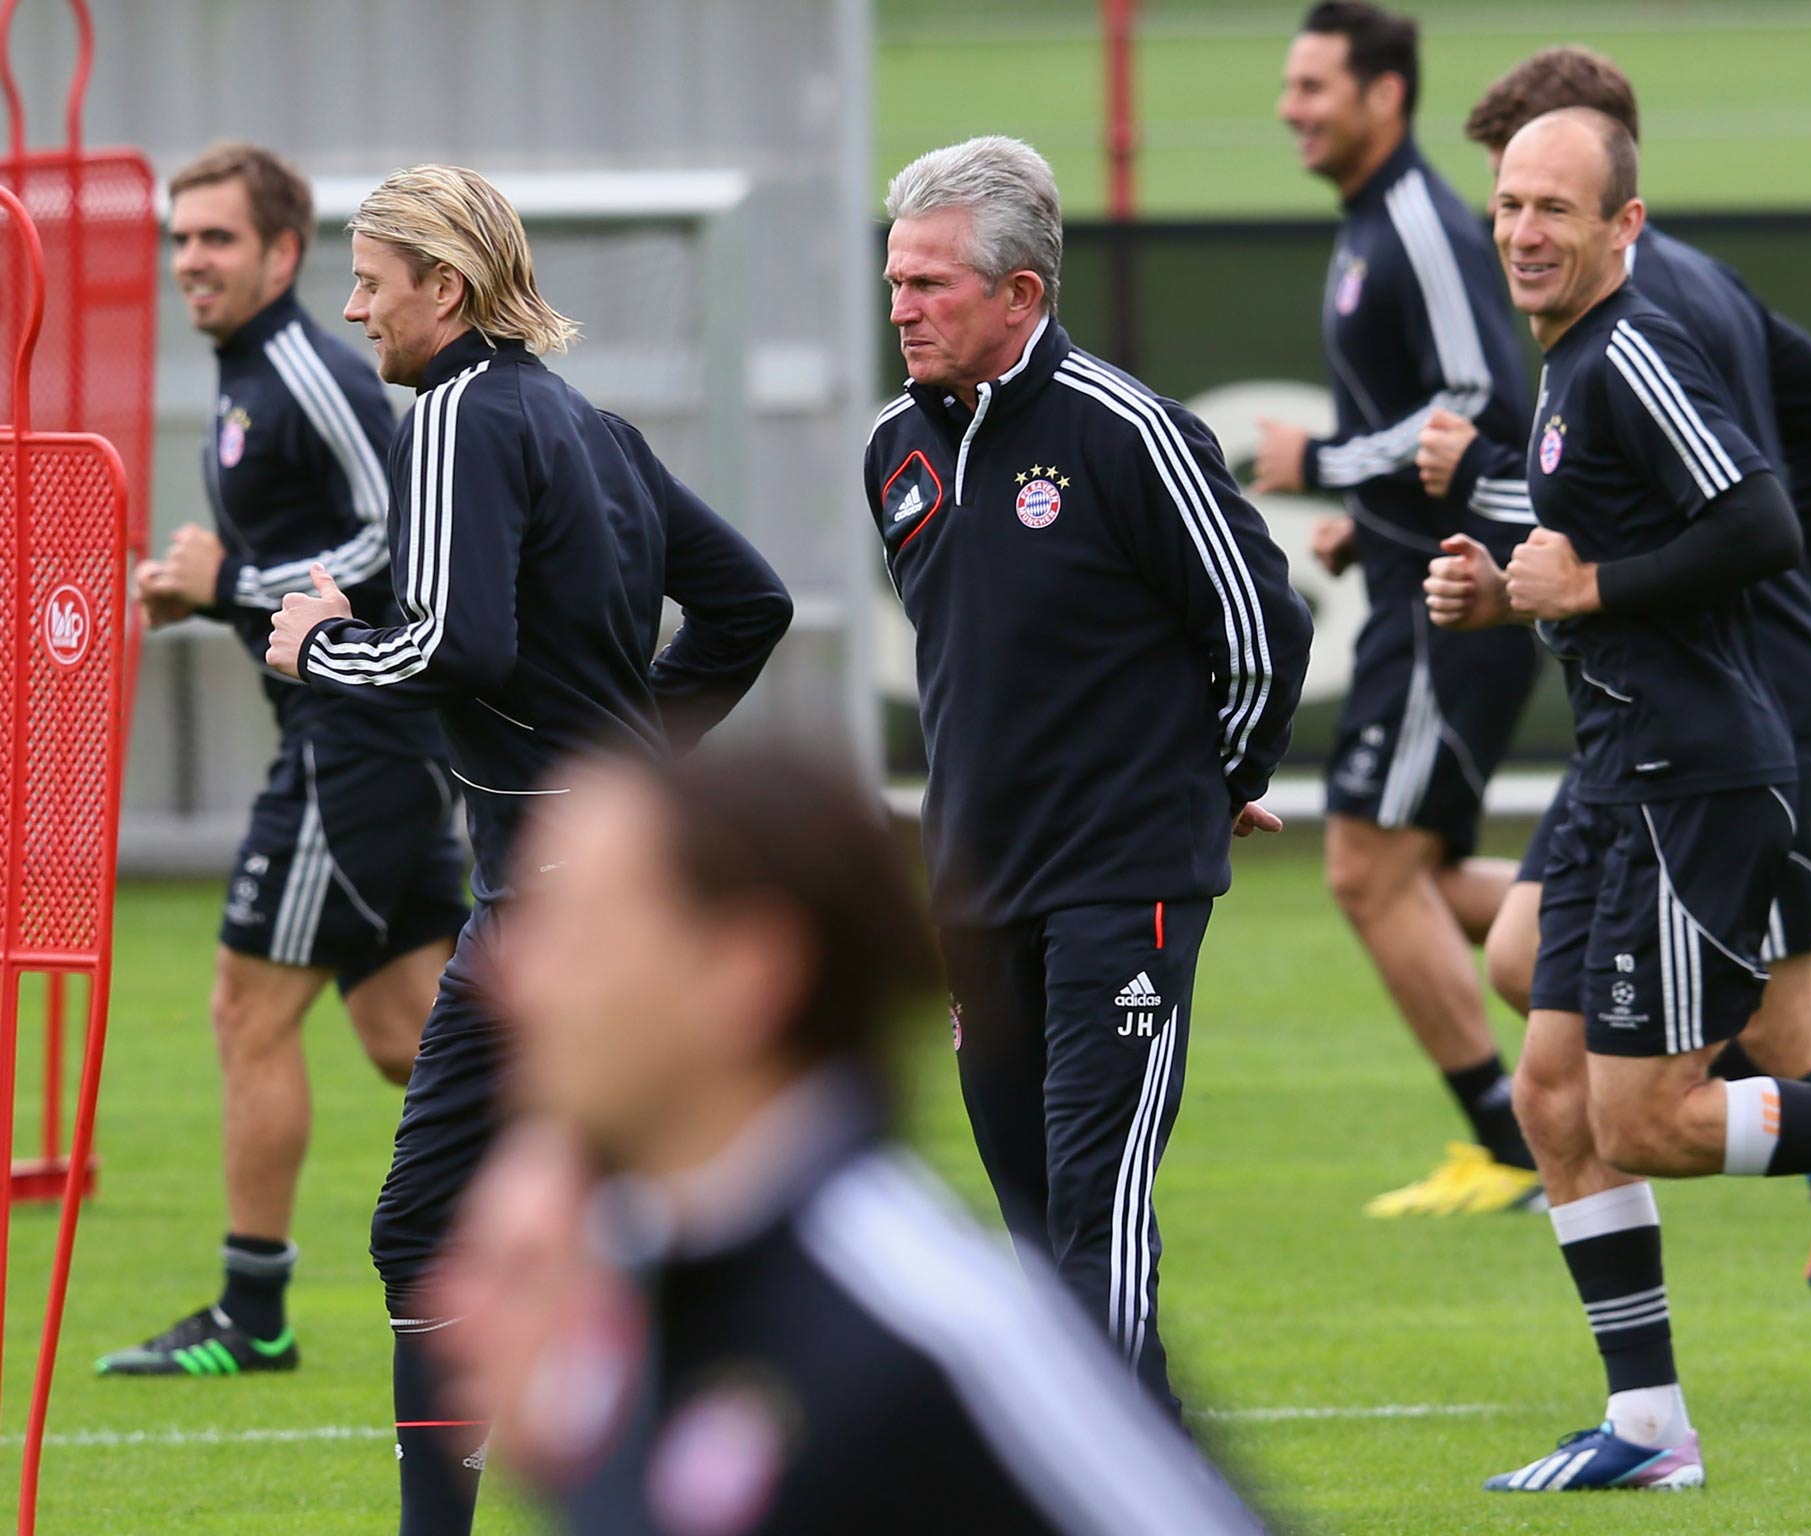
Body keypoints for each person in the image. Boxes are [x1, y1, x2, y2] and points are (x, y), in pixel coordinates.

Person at [1423, 106, 1811, 1491]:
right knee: (1552, 1101)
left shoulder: (1633, 349)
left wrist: (1584, 586)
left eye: (1558, 210)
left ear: (1623, 228)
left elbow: (1758, 522)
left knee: (1649, 1118)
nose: (1525, 230)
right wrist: (1498, 589)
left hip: (1693, 783)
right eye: (1510, 205)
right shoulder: (1568, 369)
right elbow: (1611, 554)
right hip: (1613, 780)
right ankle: (1648, 1429)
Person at [263, 164, 793, 1535]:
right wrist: (629, 776)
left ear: (444, 289)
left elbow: (458, 640)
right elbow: (749, 604)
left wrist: (326, 644)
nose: (354, 306)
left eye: (372, 281)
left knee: (431, 1226)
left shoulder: (452, 415)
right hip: (602, 892)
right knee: (601, 1219)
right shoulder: (584, 422)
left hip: (557, 908)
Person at [429, 743, 1266, 1535]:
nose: (513, 980)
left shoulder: (931, 1327)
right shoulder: (628, 1278)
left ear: (746, 972)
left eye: (581, 936)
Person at [868, 135, 1311, 1415]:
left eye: (932, 284)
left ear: (1022, 295)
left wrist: (1217, 781)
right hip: (972, 884)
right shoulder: (894, 448)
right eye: (894, 282)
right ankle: (1139, 1470)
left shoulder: (1129, 434)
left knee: (1094, 1204)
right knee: (1028, 1221)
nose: (902, 308)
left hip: (1126, 879)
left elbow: (1259, 630)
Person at [98, 143, 470, 1380]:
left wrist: (230, 585)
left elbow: (402, 538)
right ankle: (619, 1230)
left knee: (245, 1009)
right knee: (406, 1030)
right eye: (181, 238)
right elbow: (307, 553)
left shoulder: (309, 369)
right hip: (352, 741)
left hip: (349, 740)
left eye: (216, 238)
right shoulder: (246, 372)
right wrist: (201, 591)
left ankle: (252, 1316)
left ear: (281, 253)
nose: (190, 260)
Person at [1253, 2, 1544, 1216]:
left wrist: (1321, 458)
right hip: (1405, 578)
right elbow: (1422, 416)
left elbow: (1479, 398)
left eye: (1314, 85)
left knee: (1367, 868)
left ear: (1384, 97)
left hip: (1451, 600)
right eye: (1290, 84)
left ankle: (1511, 1141)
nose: (1290, 107)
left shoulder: (1420, 219)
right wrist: (1362, 516)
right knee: (1405, 869)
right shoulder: (1370, 221)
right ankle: (1642, 954)